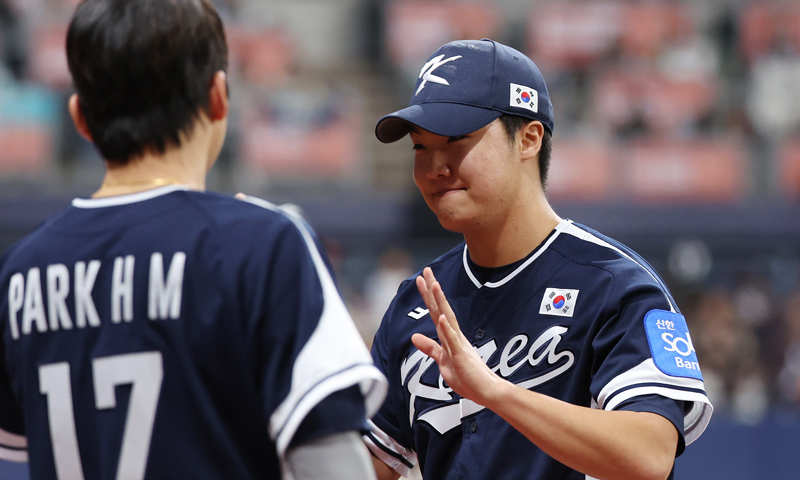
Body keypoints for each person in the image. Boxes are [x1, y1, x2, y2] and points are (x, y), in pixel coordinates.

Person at [0, 1, 386, 479]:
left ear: (79, 116)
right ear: (219, 96)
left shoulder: (16, 273)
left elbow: (16, 459)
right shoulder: (265, 245)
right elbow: (334, 468)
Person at [363, 39, 713, 480]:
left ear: (528, 138)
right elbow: (365, 466)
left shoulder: (616, 285)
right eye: (420, 147)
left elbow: (649, 455)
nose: (434, 166)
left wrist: (494, 392)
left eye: (455, 140)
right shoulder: (415, 303)